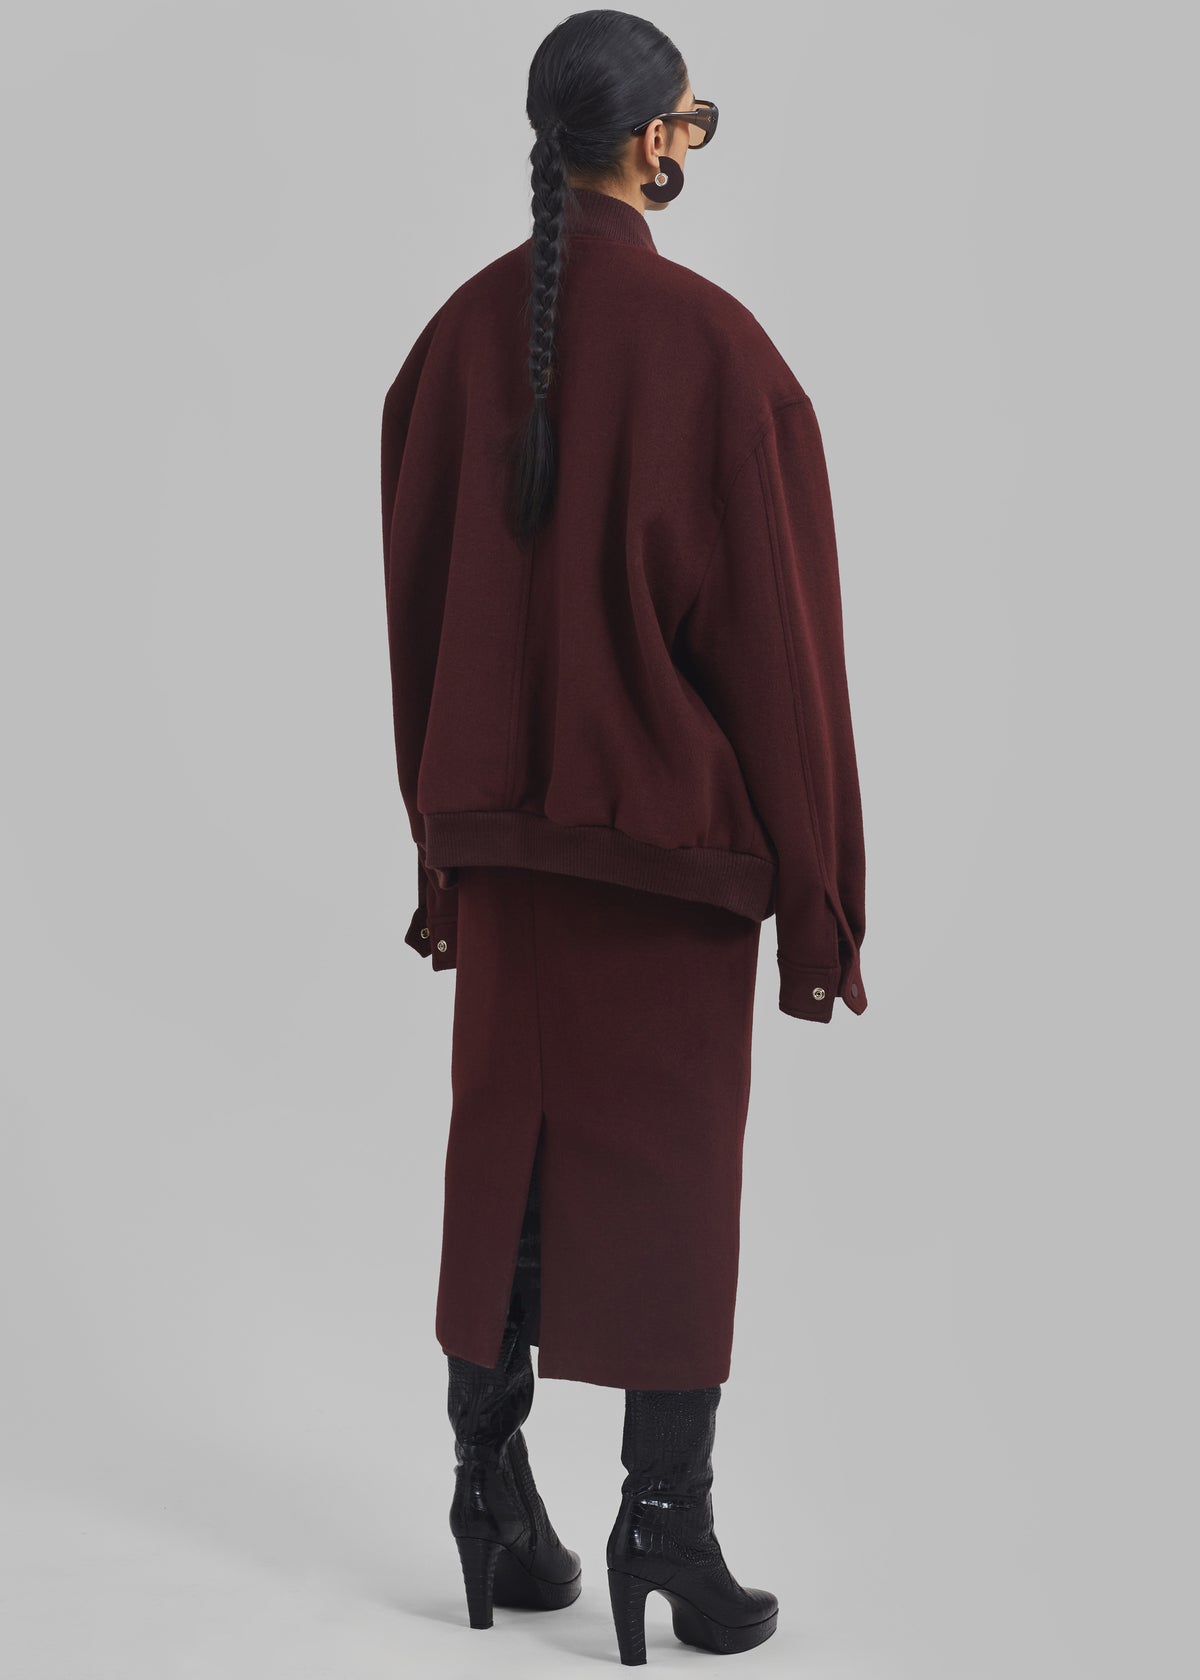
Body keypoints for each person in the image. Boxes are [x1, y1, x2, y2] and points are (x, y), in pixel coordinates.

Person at [379, 9, 869, 1665]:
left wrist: (445, 828)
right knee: (669, 1183)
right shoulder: (719, 355)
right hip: (670, 864)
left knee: (500, 1162)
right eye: (691, 122)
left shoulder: (452, 344)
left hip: (503, 849)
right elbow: (783, 660)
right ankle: (666, 1522)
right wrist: (818, 890)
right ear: (653, 140)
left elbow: (417, 608)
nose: (690, 145)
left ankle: (488, 1494)